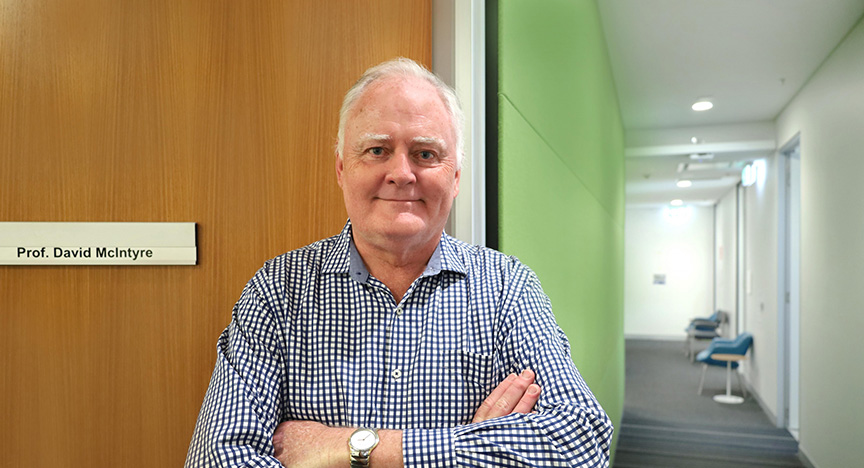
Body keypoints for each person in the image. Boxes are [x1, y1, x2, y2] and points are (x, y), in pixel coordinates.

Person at [185, 58, 612, 467]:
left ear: (457, 176)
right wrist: (472, 449)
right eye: (376, 150)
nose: (402, 173)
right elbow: (214, 458)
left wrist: (352, 448)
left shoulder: (507, 288)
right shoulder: (279, 290)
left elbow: (581, 443)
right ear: (341, 169)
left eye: (426, 154)